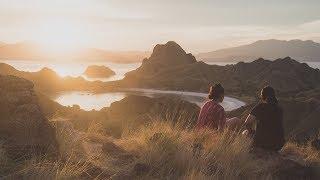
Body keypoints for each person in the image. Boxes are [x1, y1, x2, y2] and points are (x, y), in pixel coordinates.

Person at [244, 86, 285, 151]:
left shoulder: (260, 107)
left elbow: (247, 123)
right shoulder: (280, 109)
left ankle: (248, 152)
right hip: (278, 144)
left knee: (245, 133)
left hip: (262, 143)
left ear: (263, 96)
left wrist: (251, 132)